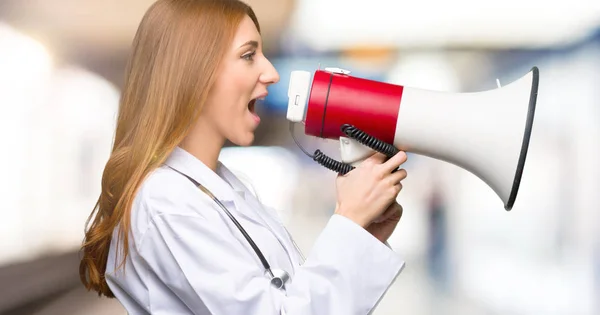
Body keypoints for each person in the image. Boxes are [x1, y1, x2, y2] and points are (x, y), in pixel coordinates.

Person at [79, 0, 409, 314]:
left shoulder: (221, 187)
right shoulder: (166, 202)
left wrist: (361, 235)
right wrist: (348, 220)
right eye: (249, 55)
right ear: (195, 71)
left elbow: (293, 301)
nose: (270, 72)